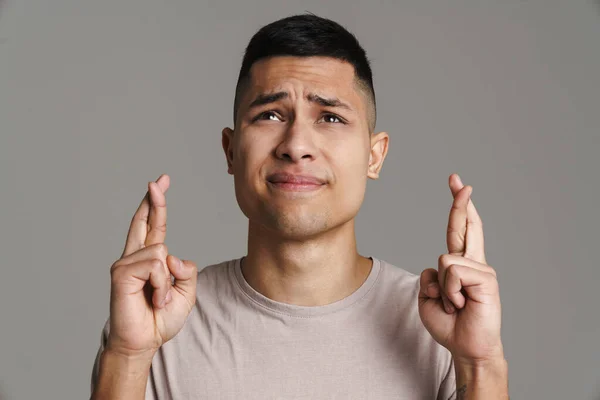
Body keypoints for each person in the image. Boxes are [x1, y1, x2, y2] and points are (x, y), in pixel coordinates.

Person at [90, 13, 508, 400]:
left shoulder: (441, 327)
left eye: (329, 118)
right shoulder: (161, 325)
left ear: (374, 156)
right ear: (231, 151)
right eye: (271, 114)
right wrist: (126, 355)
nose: (296, 146)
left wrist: (480, 362)